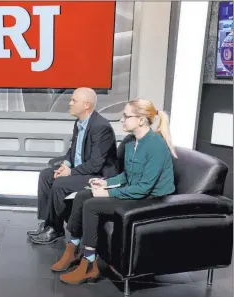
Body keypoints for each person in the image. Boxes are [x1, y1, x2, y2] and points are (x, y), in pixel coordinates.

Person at [51, 99, 177, 284]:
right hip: (137, 191)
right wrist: (105, 183)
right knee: (84, 194)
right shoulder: (130, 141)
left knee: (92, 205)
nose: (122, 120)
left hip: (152, 199)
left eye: (126, 116)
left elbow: (144, 188)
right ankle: (73, 247)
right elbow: (127, 175)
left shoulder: (156, 145)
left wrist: (108, 194)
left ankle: (89, 264)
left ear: (141, 120)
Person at [28, 87, 119, 245]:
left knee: (60, 183)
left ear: (86, 105)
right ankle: (48, 223)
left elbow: (96, 165)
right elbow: (73, 149)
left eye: (74, 101)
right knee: (46, 175)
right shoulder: (80, 122)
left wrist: (70, 173)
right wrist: (65, 164)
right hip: (81, 170)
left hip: (98, 175)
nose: (69, 103)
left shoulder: (101, 127)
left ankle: (56, 230)